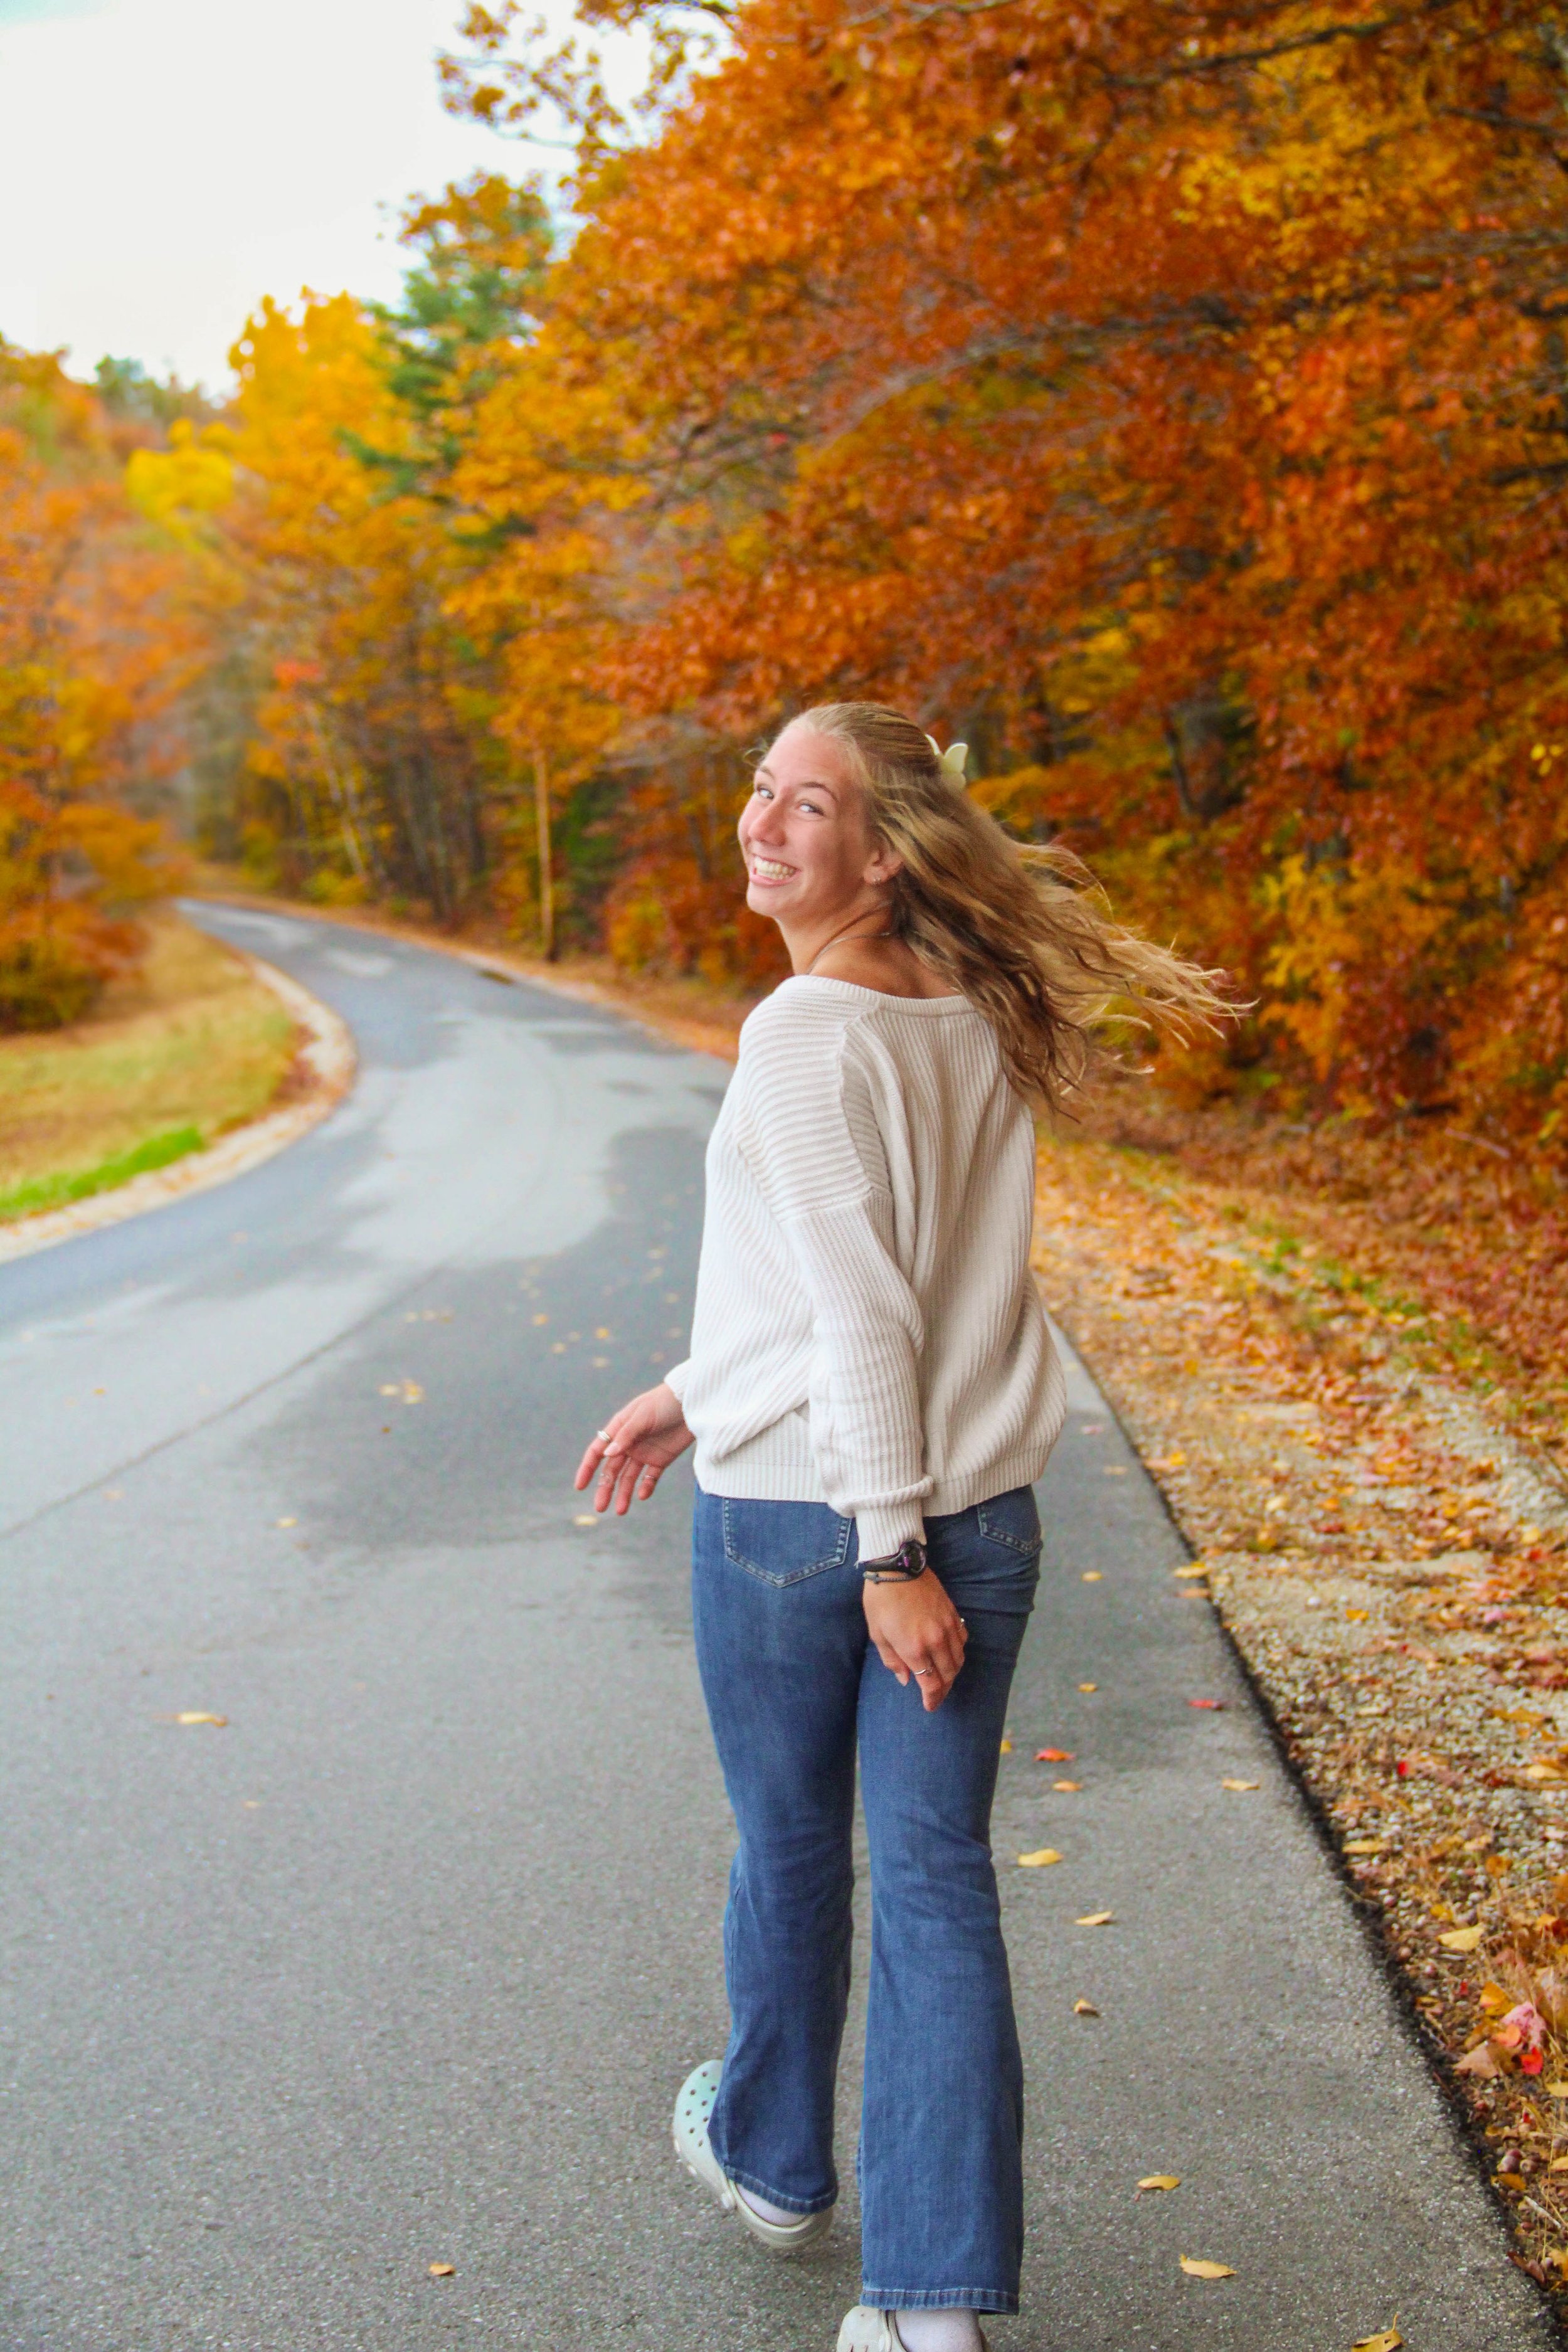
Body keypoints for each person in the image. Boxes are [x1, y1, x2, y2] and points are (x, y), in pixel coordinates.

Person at [576, 703, 1226, 2352]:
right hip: (977, 1512)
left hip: (817, 1524)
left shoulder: (804, 1033)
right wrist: (689, 1385)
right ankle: (926, 2312)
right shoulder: (972, 1007)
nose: (761, 822)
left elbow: (867, 1310)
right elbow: (866, 1290)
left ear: (880, 849)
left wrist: (885, 1551)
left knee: (793, 1852)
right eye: (757, 790)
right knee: (935, 1887)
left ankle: (775, 2162)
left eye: (807, 804)